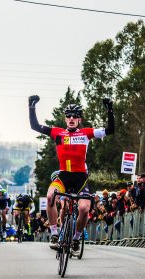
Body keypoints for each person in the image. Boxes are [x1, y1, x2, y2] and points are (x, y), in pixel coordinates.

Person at [29, 94, 114, 251]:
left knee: (84, 209)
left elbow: (110, 130)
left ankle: (76, 237)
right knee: (50, 197)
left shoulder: (86, 133)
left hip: (81, 178)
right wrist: (31, 106)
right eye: (68, 116)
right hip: (63, 177)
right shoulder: (58, 133)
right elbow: (35, 126)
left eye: (75, 116)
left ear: (80, 119)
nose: (72, 118)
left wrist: (110, 110)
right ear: (65, 118)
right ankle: (54, 233)